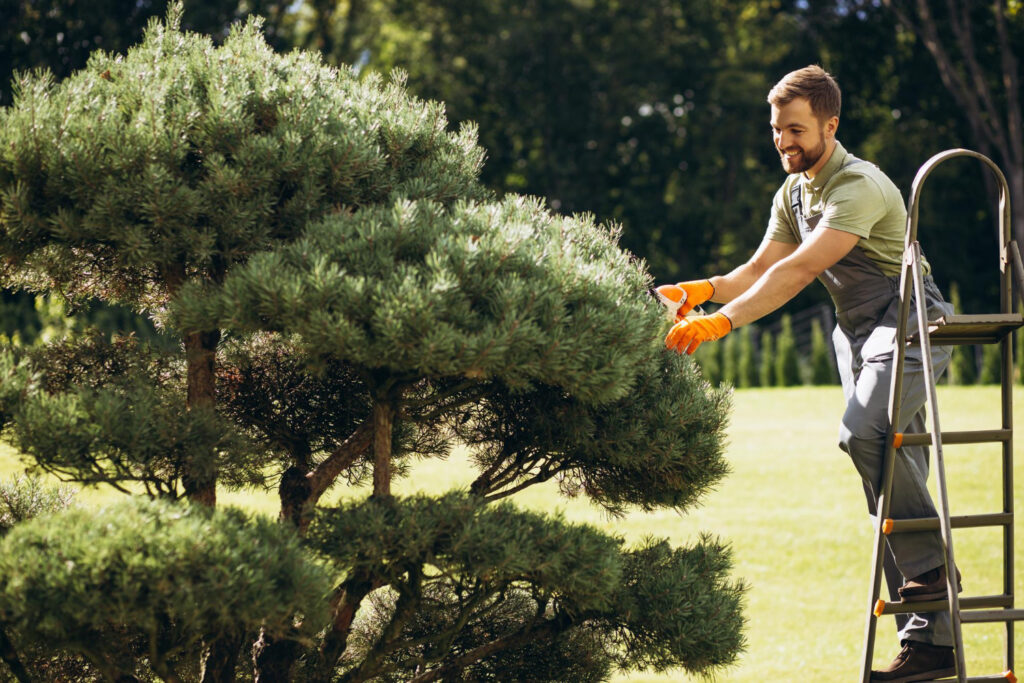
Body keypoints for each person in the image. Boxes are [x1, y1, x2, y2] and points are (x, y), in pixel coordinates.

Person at [660, 65, 958, 682]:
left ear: (831, 125)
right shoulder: (794, 193)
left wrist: (722, 324)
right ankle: (931, 646)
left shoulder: (859, 185)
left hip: (909, 325)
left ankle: (931, 572)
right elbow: (758, 267)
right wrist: (704, 289)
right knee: (892, 459)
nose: (783, 141)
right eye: (775, 130)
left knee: (863, 435)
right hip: (857, 334)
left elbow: (796, 272)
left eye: (795, 130)